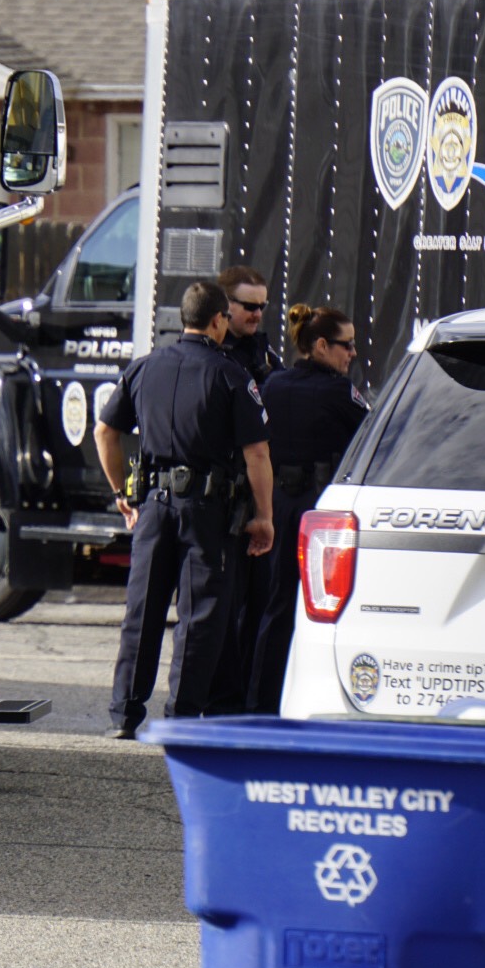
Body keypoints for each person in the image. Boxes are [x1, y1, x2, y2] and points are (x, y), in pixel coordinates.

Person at [94, 281, 275, 738]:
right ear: (218, 320)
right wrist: (264, 517)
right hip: (206, 510)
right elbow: (257, 453)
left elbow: (104, 432)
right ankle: (180, 716)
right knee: (200, 617)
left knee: (143, 610)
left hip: (153, 506)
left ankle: (125, 714)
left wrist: (121, 492)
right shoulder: (231, 374)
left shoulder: (144, 367)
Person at [245, 304, 370, 714]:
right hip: (320, 513)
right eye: (345, 344)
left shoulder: (274, 383)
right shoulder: (339, 392)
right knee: (332, 609)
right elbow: (373, 440)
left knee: (277, 606)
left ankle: (261, 704)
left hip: (278, 505)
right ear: (320, 345)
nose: (352, 353)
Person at [208, 266, 282, 713]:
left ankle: (247, 704)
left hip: (256, 493)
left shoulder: (263, 353)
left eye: (262, 306)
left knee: (258, 606)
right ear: (224, 308)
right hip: (226, 496)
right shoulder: (217, 357)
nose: (257, 314)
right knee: (224, 612)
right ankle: (221, 703)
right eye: (248, 306)